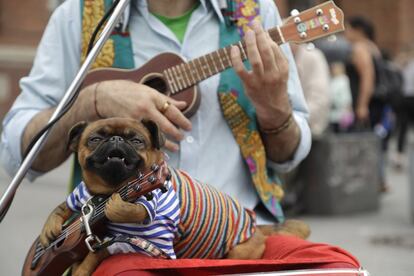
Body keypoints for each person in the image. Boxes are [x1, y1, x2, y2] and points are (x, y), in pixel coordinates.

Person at [0, 0, 360, 271]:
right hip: (121, 240)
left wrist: (275, 109)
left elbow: (289, 155)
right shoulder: (78, 15)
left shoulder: (253, 12)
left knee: (339, 266)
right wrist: (88, 102)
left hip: (233, 235)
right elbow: (16, 152)